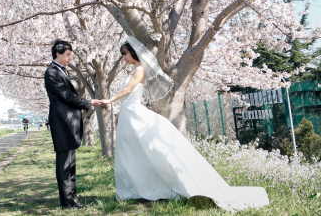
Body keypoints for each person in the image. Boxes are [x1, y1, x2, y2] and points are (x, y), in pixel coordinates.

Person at [98, 37, 270, 212]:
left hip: (135, 114)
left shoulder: (140, 69)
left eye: (125, 54)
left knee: (147, 149)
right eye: (123, 54)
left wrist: (109, 100)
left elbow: (128, 90)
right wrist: (120, 113)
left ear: (134, 53)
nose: (124, 57)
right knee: (131, 151)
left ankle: (157, 185)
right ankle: (135, 187)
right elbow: (127, 95)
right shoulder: (133, 70)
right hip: (127, 114)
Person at [44, 40, 102, 209]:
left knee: (70, 163)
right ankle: (67, 202)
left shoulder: (58, 71)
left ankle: (71, 200)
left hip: (67, 123)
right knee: (65, 165)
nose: (70, 58)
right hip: (62, 123)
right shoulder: (52, 72)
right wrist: (88, 103)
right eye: (68, 55)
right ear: (58, 54)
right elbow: (66, 97)